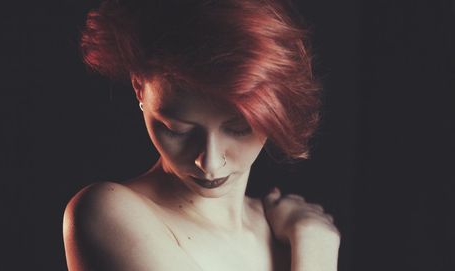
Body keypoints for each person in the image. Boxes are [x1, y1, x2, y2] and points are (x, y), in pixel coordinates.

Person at [63, 0, 341, 270]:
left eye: (238, 129)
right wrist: (317, 245)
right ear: (139, 87)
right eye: (178, 129)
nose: (209, 163)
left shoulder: (280, 230)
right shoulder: (106, 213)